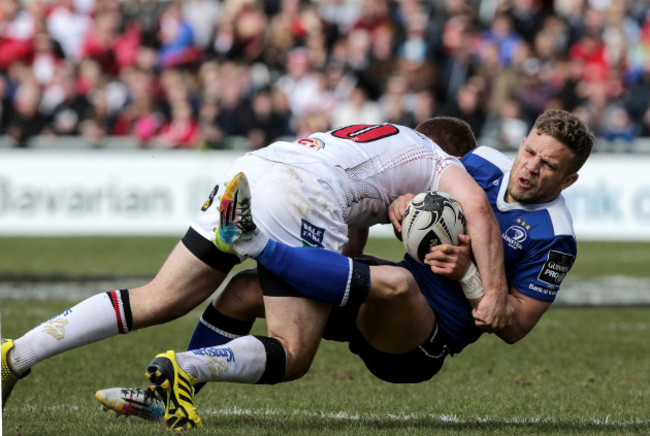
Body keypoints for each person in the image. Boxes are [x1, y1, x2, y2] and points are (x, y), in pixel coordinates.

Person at [1, 118, 509, 429]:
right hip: (302, 195)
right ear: (456, 155)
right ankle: (187, 367)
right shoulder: (443, 161)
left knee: (156, 298)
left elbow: (348, 244)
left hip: (252, 171)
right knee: (292, 352)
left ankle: (16, 353)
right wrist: (491, 294)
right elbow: (481, 215)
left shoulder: (385, 140)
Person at [124, 109, 593, 430]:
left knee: (398, 282)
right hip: (382, 296)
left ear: (569, 179)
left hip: (419, 344)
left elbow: (510, 326)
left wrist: (470, 275)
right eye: (530, 151)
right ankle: (174, 394)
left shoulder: (555, 238)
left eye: (549, 165)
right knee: (243, 291)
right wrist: (408, 206)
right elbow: (424, 197)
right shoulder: (482, 162)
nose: (530, 168)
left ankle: (257, 242)